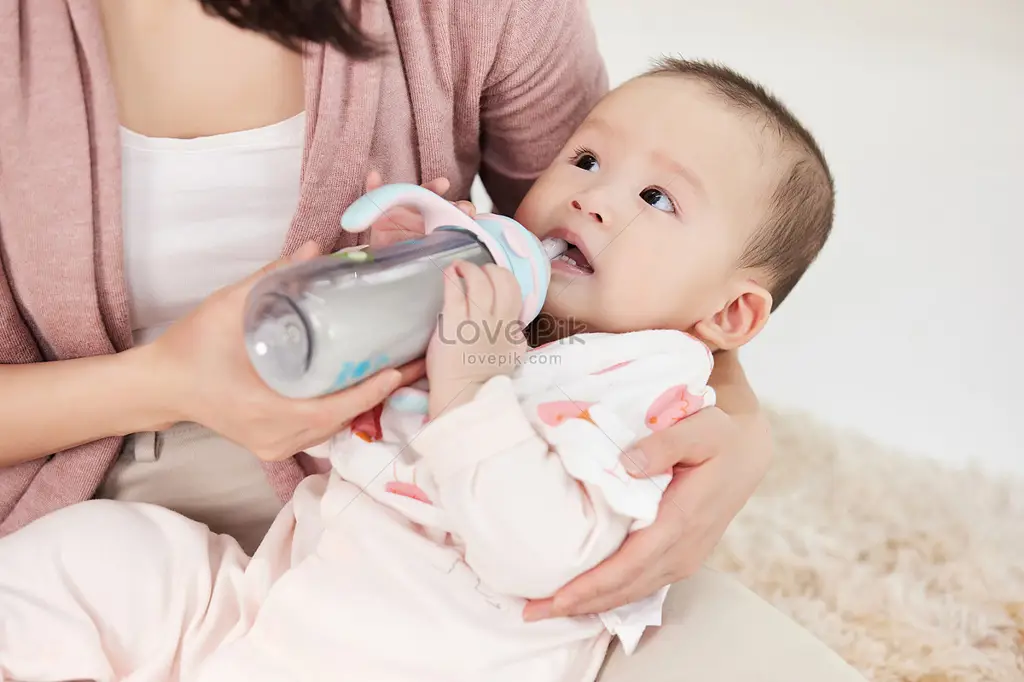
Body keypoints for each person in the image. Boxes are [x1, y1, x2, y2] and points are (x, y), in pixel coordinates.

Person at [0, 2, 858, 680]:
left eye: (658, 201)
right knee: (102, 562)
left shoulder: (640, 397)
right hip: (254, 558)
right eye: (587, 164)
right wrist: (388, 296)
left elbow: (542, 553)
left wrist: (740, 428)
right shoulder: (514, 324)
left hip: (417, 648)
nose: (592, 200)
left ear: (732, 317)